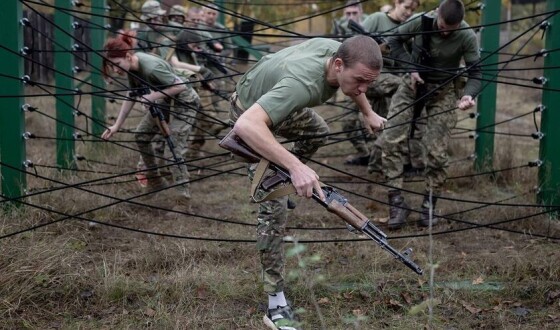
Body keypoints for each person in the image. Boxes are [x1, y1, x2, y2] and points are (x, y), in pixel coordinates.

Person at [229, 36, 385, 329]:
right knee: (274, 211)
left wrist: (367, 111)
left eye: (370, 83)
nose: (363, 89)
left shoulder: (340, 54)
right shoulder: (302, 85)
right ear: (338, 65)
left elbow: (358, 76)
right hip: (249, 114)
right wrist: (296, 166)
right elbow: (246, 125)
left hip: (273, 102)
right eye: (360, 81)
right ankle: (275, 302)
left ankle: (282, 172)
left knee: (317, 131)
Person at [380, 0, 481, 229]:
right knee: (390, 139)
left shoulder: (466, 35)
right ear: (438, 15)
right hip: (411, 85)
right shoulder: (420, 22)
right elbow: (394, 40)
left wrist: (468, 95)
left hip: (442, 90)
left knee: (435, 150)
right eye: (443, 26)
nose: (445, 32)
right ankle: (396, 202)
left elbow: (476, 71)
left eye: (451, 29)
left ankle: (430, 204)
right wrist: (410, 67)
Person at [101, 31, 200, 216]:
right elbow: (132, 94)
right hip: (164, 99)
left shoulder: (151, 67)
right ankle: (155, 181)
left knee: (173, 149)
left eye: (117, 65)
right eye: (112, 67)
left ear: (128, 57)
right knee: (141, 136)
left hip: (184, 101)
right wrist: (116, 126)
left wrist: (152, 96)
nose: (116, 70)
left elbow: (180, 86)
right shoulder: (131, 67)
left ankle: (183, 200)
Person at [360, 0, 421, 174]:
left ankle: (380, 164)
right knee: (406, 89)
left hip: (392, 81)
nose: (409, 12)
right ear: (397, 3)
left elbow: (408, 56)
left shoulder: (408, 27)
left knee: (390, 123)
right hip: (373, 78)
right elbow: (353, 44)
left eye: (413, 9)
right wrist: (377, 49)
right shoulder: (377, 19)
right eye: (406, 7)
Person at [331, 1, 372, 165]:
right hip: (353, 84)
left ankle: (376, 157)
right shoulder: (340, 27)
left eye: (354, 13)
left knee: (372, 121)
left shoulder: (371, 23)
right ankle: (365, 154)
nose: (351, 17)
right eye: (348, 14)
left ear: (361, 12)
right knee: (348, 122)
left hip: (373, 82)